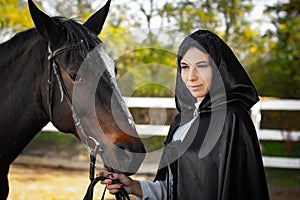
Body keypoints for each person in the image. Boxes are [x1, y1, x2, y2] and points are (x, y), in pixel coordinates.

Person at [99, 29, 270, 199]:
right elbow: (174, 189)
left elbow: (237, 190)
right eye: (185, 67)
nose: (191, 77)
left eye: (201, 66)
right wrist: (134, 187)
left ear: (219, 68)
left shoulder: (232, 119)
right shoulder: (181, 123)